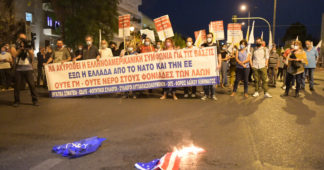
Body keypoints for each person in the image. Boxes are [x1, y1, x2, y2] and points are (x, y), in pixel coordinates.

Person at [10, 33, 38, 107]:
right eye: (22, 39)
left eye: (24, 39)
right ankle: (16, 101)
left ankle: (35, 100)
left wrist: (28, 49)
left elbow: (32, 56)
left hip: (28, 68)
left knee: (32, 85)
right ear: (18, 39)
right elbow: (14, 55)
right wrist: (20, 49)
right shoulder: (14, 46)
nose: (23, 40)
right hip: (18, 69)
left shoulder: (28, 45)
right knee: (17, 86)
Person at [200, 33, 222, 100]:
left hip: (213, 66)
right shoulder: (204, 45)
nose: (208, 38)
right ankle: (206, 95)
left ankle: (213, 95)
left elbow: (219, 55)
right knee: (206, 82)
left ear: (212, 38)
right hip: (205, 66)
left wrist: (220, 63)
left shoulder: (216, 45)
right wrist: (200, 48)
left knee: (213, 82)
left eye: (210, 37)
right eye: (207, 37)